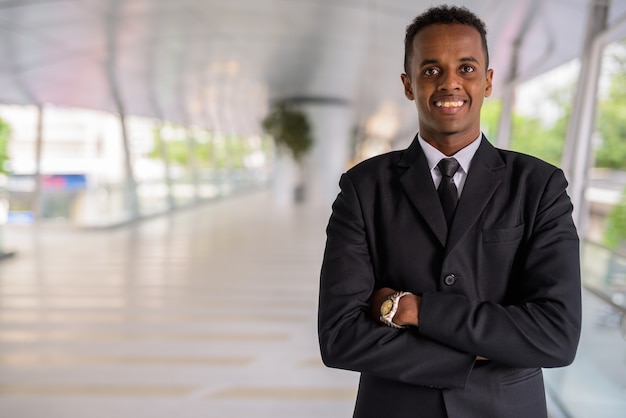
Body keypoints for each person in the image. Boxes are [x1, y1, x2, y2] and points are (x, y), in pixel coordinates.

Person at [317, 5, 581, 418]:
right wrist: (474, 352)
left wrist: (414, 309)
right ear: (409, 85)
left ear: (489, 80)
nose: (450, 83)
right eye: (431, 70)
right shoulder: (363, 188)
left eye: (467, 68)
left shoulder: (539, 186)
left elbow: (556, 336)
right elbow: (340, 337)